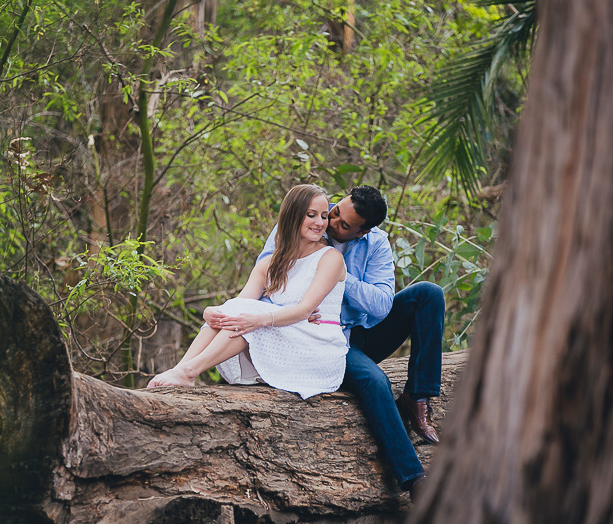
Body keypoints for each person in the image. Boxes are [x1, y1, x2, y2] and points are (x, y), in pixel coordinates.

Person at [257, 185, 444, 499]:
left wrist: (338, 274)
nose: (330, 223)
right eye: (335, 212)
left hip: (357, 332)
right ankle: (414, 480)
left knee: (428, 294)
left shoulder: (376, 244)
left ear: (363, 232)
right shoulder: (305, 220)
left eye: (344, 225)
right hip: (316, 334)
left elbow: (382, 304)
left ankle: (417, 396)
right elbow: (266, 277)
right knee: (374, 380)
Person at [148, 184, 348, 399]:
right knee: (233, 313)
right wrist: (210, 311)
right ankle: (182, 369)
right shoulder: (271, 263)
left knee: (253, 319)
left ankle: (189, 371)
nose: (320, 222)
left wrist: (260, 320)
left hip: (317, 347)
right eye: (312, 215)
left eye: (324, 216)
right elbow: (239, 304)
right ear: (293, 215)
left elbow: (304, 310)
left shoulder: (330, 258)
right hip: (286, 339)